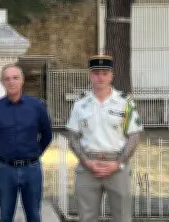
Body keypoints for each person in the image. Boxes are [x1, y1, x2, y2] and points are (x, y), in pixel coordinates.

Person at [65, 55, 144, 222]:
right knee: (86, 217)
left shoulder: (124, 103)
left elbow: (134, 136)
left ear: (111, 76)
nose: (100, 77)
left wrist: (119, 163)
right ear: (90, 75)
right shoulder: (80, 104)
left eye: (104, 73)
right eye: (96, 73)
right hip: (88, 167)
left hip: (116, 165)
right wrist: (86, 161)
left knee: (122, 217)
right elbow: (72, 137)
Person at [0, 64, 53, 222]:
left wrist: (34, 153)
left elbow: (47, 135)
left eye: (15, 78)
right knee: (5, 216)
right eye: (7, 79)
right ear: (2, 82)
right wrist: (3, 155)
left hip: (32, 170)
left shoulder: (37, 106)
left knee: (34, 215)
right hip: (5, 170)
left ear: (22, 80)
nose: (11, 82)